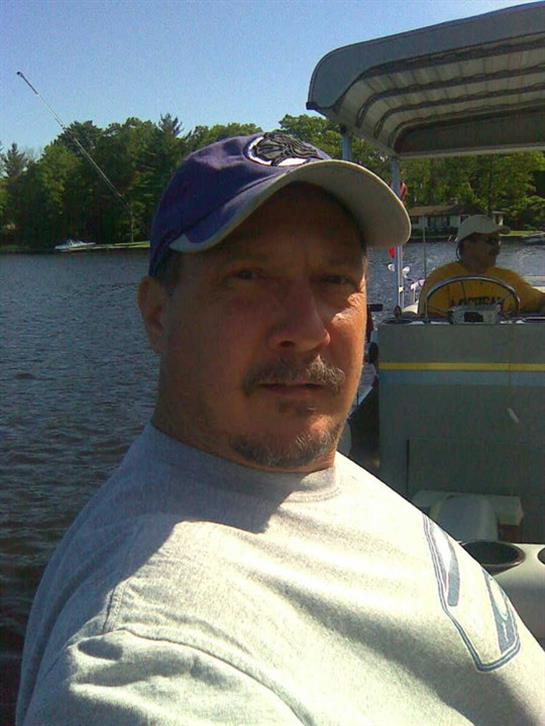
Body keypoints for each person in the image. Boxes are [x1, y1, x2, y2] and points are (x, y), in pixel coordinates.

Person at [17, 133, 545, 725]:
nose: (308, 328)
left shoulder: (305, 475)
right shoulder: (144, 652)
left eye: (335, 280)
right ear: (159, 316)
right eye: (248, 275)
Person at [417, 214, 545, 316]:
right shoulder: (440, 280)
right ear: (467, 244)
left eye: (499, 241)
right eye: (491, 241)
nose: (497, 247)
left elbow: (539, 302)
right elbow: (431, 325)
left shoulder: (508, 279)